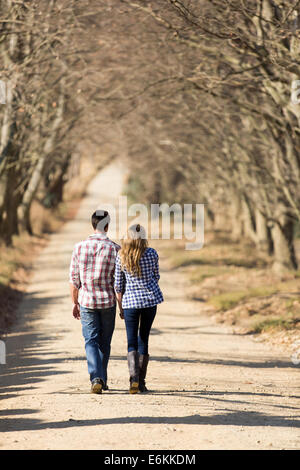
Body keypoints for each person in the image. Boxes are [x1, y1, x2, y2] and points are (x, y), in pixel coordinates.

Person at [69, 210, 120, 394]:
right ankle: (102, 379)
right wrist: (122, 305)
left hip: (87, 301)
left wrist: (75, 303)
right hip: (107, 301)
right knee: (105, 342)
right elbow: (118, 281)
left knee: (91, 341)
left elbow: (74, 280)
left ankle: (96, 377)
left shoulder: (79, 247)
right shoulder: (115, 249)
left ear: (93, 225)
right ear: (107, 226)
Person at [114, 224, 164, 394]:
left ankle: (133, 379)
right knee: (144, 338)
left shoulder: (121, 256)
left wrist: (121, 308)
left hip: (130, 303)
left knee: (131, 341)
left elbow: (118, 286)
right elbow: (156, 276)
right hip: (150, 301)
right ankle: (141, 382)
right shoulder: (152, 253)